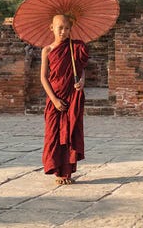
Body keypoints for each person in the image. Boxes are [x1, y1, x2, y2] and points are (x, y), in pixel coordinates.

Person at [40, 14, 89, 185]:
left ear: (70, 29)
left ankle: (66, 173)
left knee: (70, 133)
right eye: (59, 28)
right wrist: (53, 99)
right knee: (53, 133)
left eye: (67, 28)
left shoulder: (76, 47)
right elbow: (43, 78)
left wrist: (81, 81)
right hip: (55, 96)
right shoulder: (47, 50)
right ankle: (56, 171)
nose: (63, 31)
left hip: (71, 96)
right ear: (51, 28)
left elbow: (81, 69)